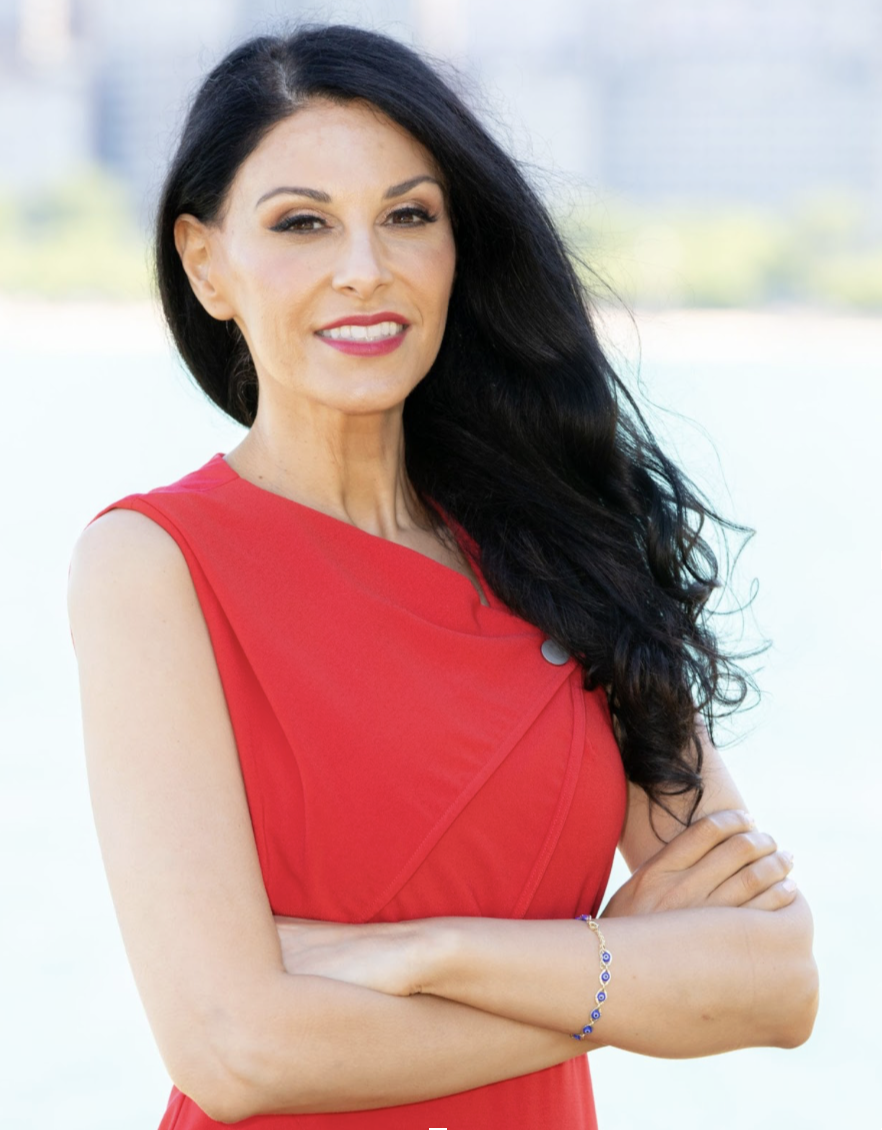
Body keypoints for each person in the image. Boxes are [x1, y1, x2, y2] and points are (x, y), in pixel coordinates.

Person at [66, 22, 818, 1130]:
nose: (363, 269)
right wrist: (621, 973)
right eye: (302, 223)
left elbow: (777, 980)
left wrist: (432, 952)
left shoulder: (568, 547)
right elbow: (234, 1049)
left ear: (457, 247)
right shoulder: (152, 564)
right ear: (205, 262)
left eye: (408, 216)